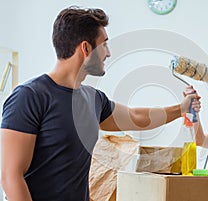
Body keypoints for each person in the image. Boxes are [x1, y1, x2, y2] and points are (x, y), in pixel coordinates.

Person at [0, 7, 197, 201]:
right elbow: (10, 176)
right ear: (85, 48)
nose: (108, 53)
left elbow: (137, 117)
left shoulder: (94, 99)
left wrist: (181, 108)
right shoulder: (30, 96)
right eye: (104, 44)